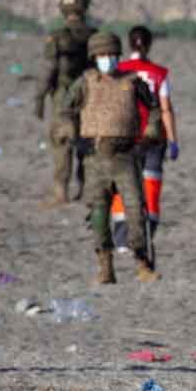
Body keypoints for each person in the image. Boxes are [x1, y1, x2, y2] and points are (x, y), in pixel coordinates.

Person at [59, 32, 161, 284]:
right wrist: (73, 136)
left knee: (136, 211)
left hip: (126, 157)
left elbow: (155, 108)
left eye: (112, 55)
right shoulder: (86, 82)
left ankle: (142, 264)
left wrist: (150, 133)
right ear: (95, 57)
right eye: (103, 55)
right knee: (98, 214)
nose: (108, 60)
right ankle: (105, 268)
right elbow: (65, 109)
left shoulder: (132, 82)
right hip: (95, 158)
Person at [110, 26, 179, 254]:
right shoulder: (159, 73)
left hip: (124, 137)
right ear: (149, 44)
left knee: (122, 188)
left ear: (129, 44)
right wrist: (173, 140)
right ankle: (146, 239)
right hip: (153, 139)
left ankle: (121, 241)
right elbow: (166, 109)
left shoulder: (118, 70)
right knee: (150, 189)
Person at [35, 0, 97, 207]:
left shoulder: (57, 36)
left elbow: (48, 69)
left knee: (62, 144)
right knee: (87, 144)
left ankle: (61, 192)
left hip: (63, 98)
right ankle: (87, 190)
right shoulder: (95, 36)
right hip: (90, 96)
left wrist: (39, 98)